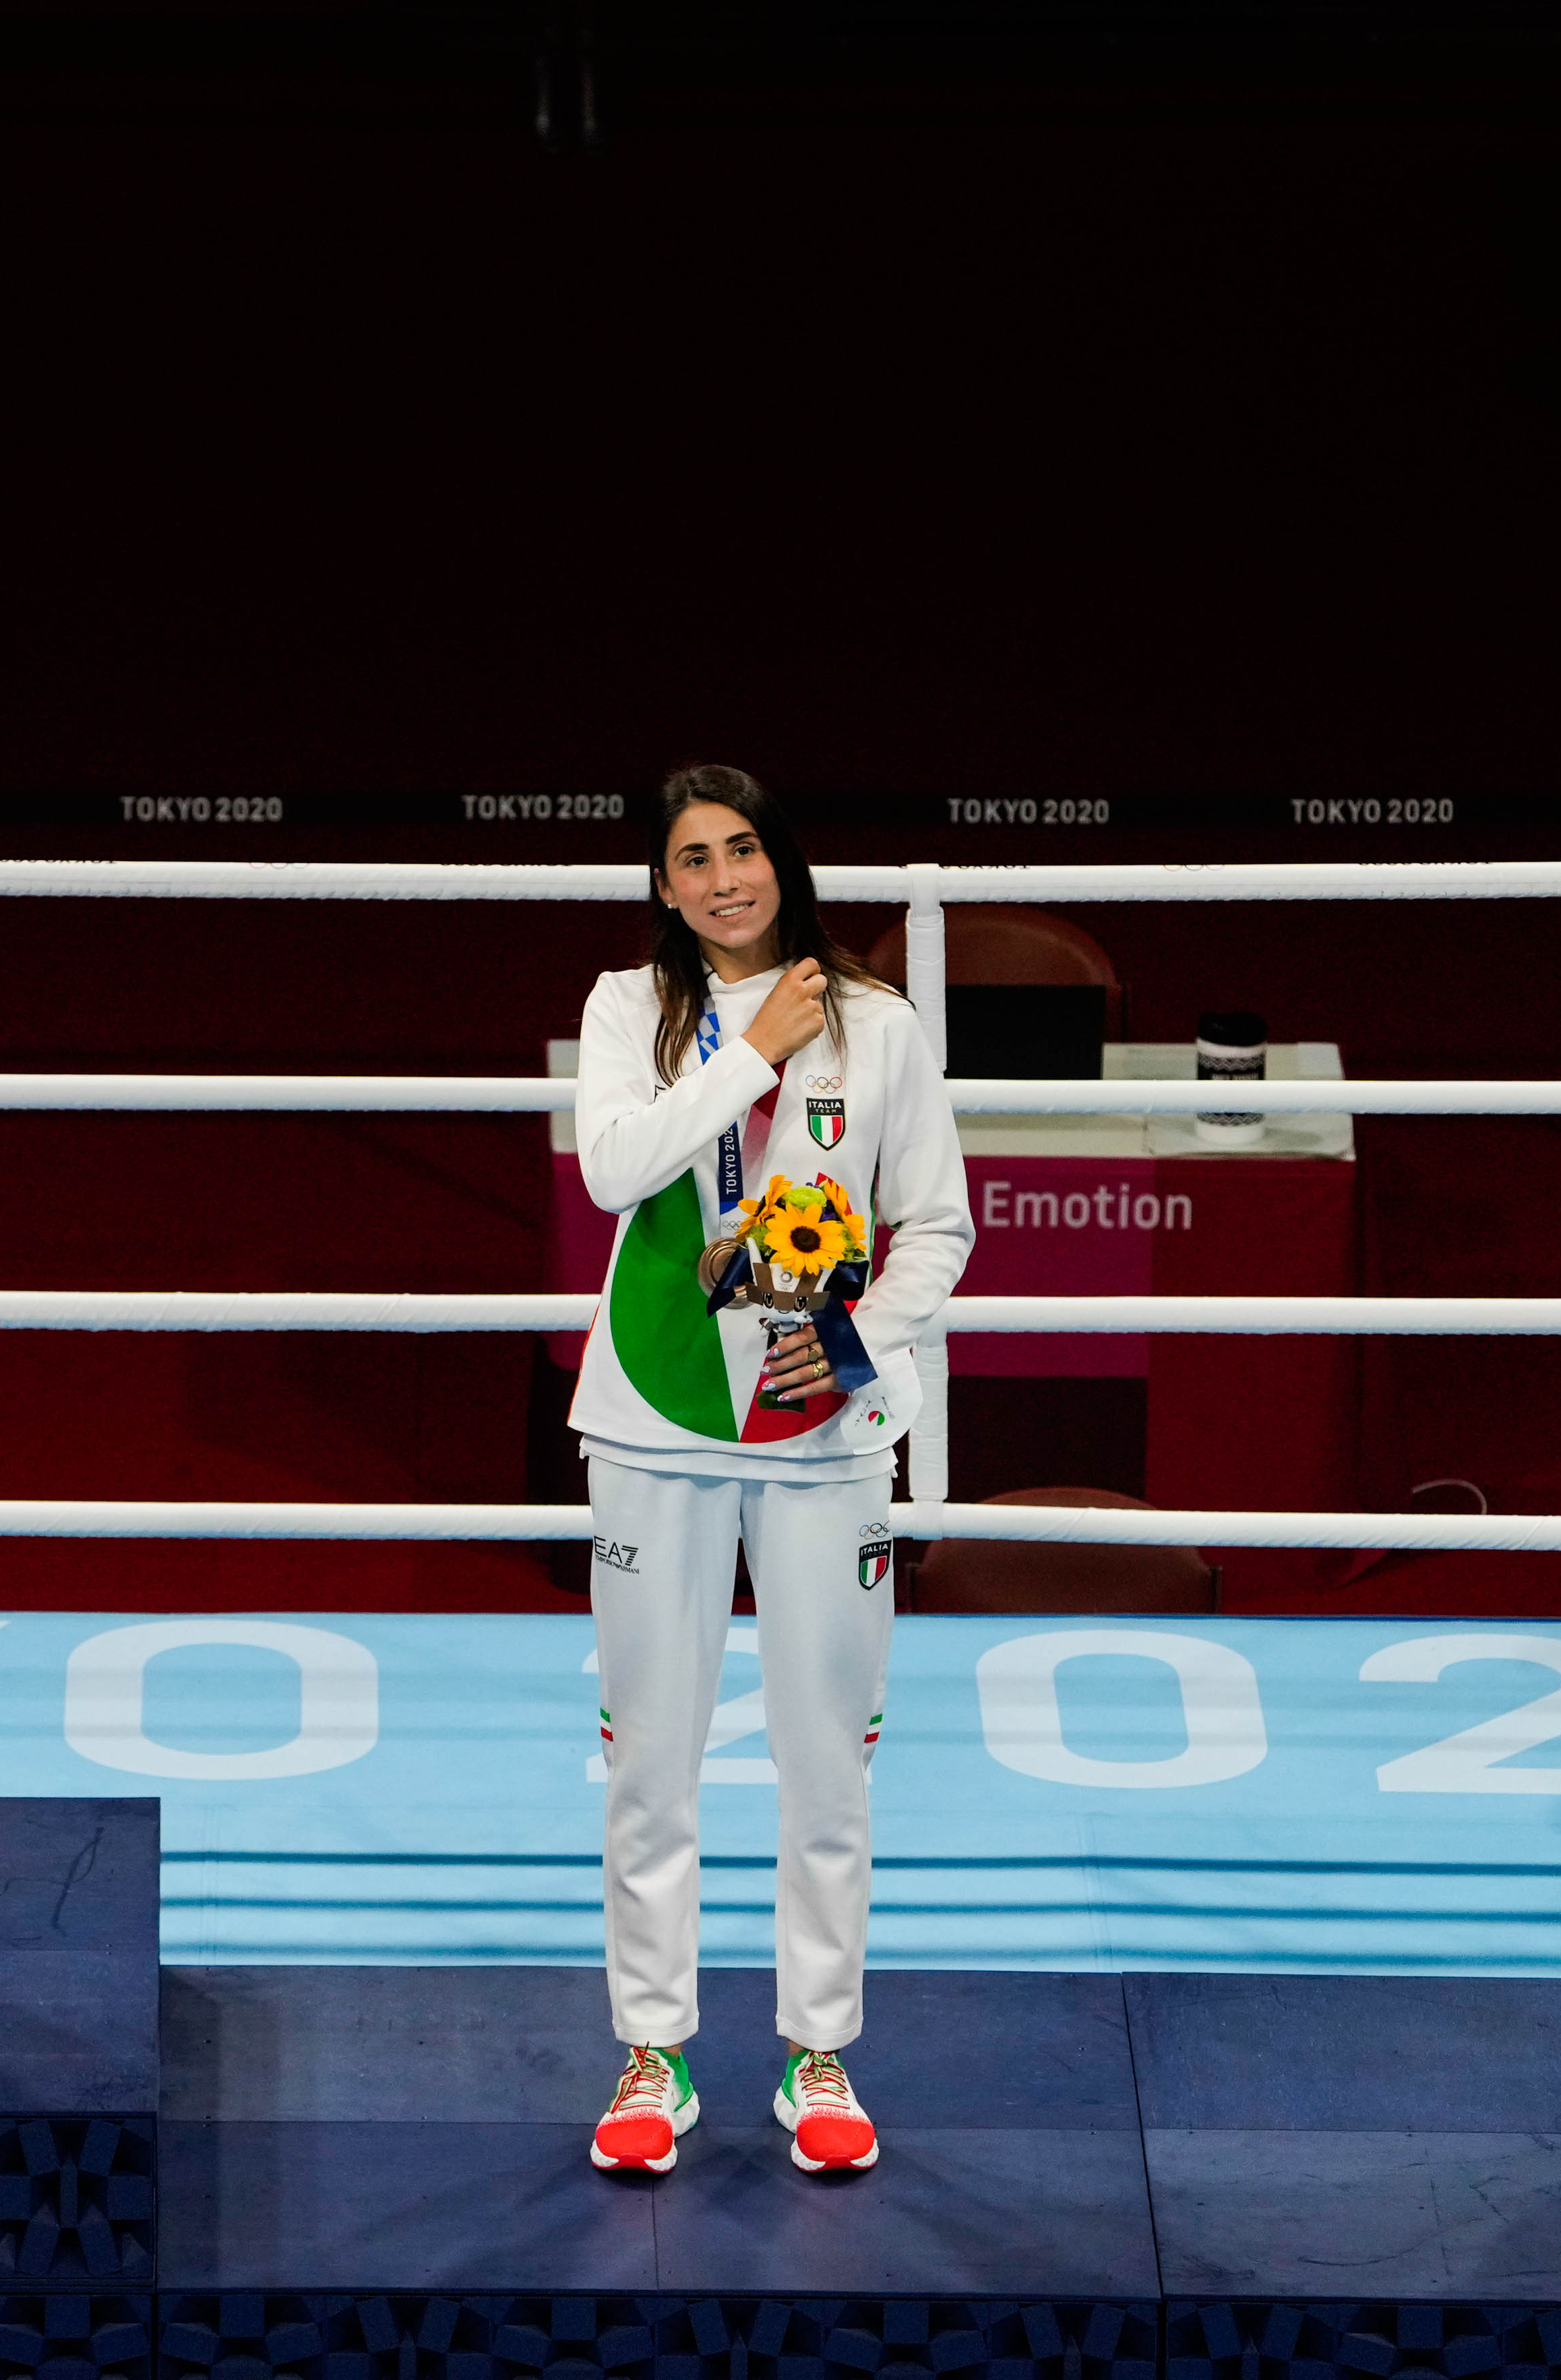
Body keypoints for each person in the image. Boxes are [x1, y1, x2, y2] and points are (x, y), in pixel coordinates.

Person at [562, 764, 973, 2177]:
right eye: (695, 858)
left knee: (827, 1761)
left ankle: (819, 2054)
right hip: (654, 1410)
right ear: (665, 887)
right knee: (649, 1758)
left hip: (832, 1417)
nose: (726, 877)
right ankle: (653, 2052)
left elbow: (939, 1227)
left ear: (785, 865)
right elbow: (614, 1169)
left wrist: (857, 1337)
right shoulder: (633, 1010)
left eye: (745, 850)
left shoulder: (885, 1028)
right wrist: (749, 1052)